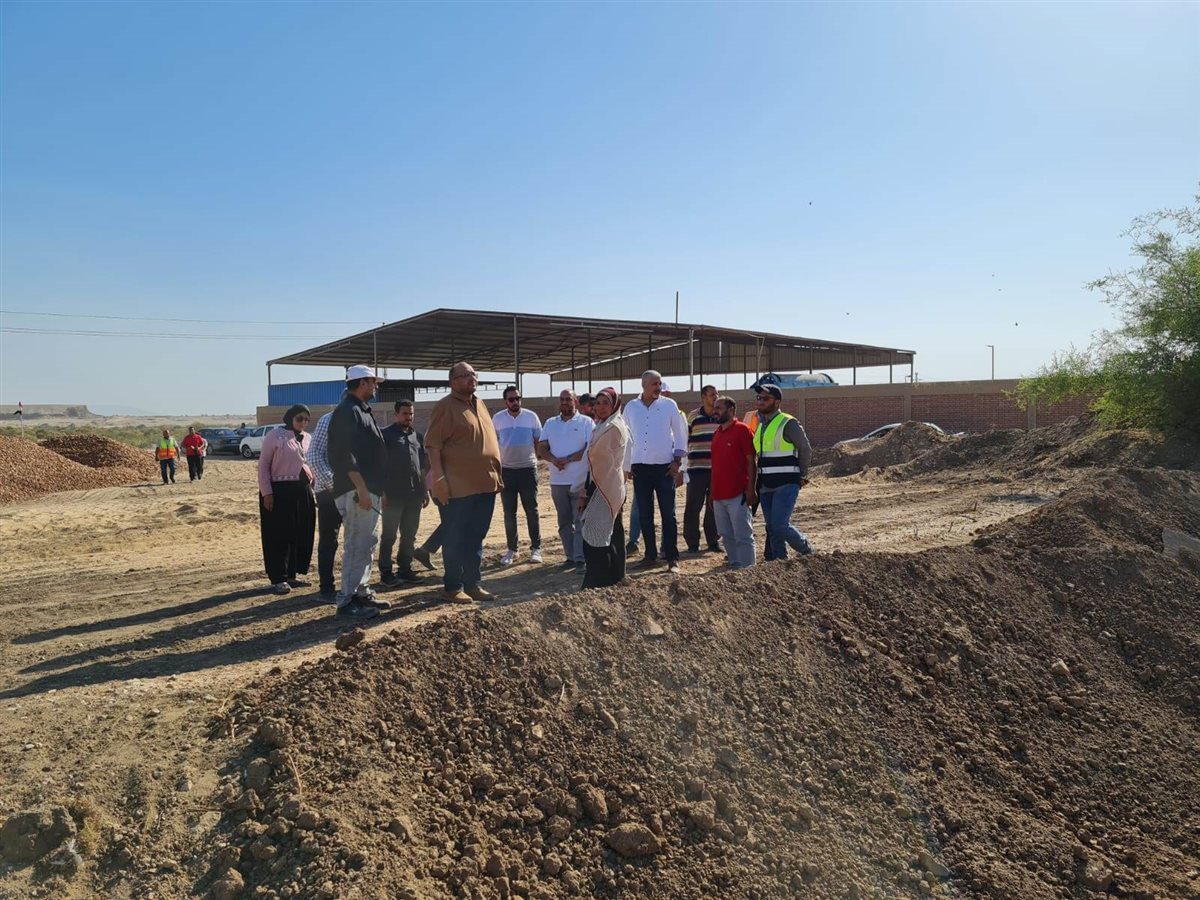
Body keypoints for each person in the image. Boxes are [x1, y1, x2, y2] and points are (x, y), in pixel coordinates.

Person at [426, 361, 503, 603]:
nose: (472, 378)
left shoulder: (480, 404)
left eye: (473, 374)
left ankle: (472, 584)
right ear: (453, 382)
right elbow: (433, 445)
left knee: (476, 536)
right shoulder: (445, 407)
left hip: (485, 484)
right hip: (458, 487)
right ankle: (453, 586)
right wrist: (439, 479)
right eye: (465, 375)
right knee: (455, 537)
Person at [327, 365, 392, 619]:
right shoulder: (347, 411)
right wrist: (362, 488)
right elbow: (342, 455)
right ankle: (347, 601)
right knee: (356, 544)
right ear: (363, 382)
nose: (376, 386)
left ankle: (361, 592)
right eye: (373, 382)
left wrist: (378, 489)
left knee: (367, 543)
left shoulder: (361, 410)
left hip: (368, 489)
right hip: (355, 490)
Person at [623, 369, 688, 573]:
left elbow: (680, 434)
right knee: (645, 515)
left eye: (660, 384)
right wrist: (627, 465)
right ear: (643, 385)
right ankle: (650, 555)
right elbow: (625, 437)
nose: (658, 388)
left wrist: (677, 461)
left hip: (664, 468)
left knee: (668, 515)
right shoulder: (631, 407)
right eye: (654, 384)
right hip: (640, 469)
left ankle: (672, 558)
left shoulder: (669, 405)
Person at [257, 405, 317, 594]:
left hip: (303, 491)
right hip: (279, 492)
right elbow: (263, 465)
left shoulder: (308, 438)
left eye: (306, 419)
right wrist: (267, 492)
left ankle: (292, 575)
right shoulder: (275, 436)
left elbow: (309, 462)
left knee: (300, 533)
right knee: (279, 535)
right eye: (299, 418)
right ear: (290, 417)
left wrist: (314, 486)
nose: (303, 423)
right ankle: (278, 577)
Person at [753, 384, 814, 559]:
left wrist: (802, 475)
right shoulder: (761, 425)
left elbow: (805, 449)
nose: (761, 401)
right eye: (759, 398)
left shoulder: (788, 422)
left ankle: (807, 550)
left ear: (777, 402)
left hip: (786, 484)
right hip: (765, 484)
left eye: (765, 398)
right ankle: (779, 561)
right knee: (772, 527)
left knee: (780, 525)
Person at [538, 389, 594, 571]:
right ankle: (569, 556)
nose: (564, 402)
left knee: (580, 521)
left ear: (575, 401)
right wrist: (553, 460)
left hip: (579, 481)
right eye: (562, 399)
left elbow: (589, 448)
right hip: (557, 481)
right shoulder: (550, 423)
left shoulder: (586, 422)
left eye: (568, 399)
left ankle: (580, 559)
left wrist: (568, 459)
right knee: (564, 522)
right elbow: (542, 447)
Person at [579, 387, 627, 588]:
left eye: (606, 403)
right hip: (602, 484)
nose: (600, 407)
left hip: (606, 486)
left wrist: (588, 489)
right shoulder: (602, 426)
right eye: (597, 403)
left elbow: (597, 459)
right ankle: (612, 577)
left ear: (614, 405)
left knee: (595, 534)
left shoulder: (613, 427)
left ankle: (599, 580)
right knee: (608, 534)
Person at [379, 400, 429, 585]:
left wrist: (424, 490)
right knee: (389, 535)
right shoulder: (385, 435)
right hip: (393, 495)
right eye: (405, 414)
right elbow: (379, 465)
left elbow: (421, 466)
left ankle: (405, 569)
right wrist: (382, 492)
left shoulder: (417, 436)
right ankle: (386, 573)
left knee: (409, 534)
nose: (409, 417)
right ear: (396, 415)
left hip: (414, 494)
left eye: (411, 414)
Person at [493, 385, 543, 566]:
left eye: (518, 398)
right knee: (509, 513)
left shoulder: (531, 417)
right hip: (506, 471)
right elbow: (493, 444)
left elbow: (539, 441)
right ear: (505, 401)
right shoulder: (497, 419)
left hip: (528, 470)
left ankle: (536, 548)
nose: (515, 402)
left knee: (532, 510)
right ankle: (512, 549)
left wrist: (538, 459)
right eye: (511, 399)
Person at [709, 396, 757, 569]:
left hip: (738, 494)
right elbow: (715, 465)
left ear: (731, 411)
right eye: (715, 408)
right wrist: (712, 492)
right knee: (726, 534)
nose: (715, 411)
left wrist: (751, 489)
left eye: (719, 408)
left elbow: (751, 461)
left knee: (743, 535)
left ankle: (748, 570)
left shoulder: (742, 430)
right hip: (719, 495)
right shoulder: (717, 434)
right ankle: (735, 567)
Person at [308, 409, 342, 603]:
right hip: (329, 493)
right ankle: (326, 588)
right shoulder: (328, 420)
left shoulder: (361, 419)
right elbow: (313, 455)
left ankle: (352, 587)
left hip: (355, 492)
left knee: (357, 542)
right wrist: (334, 485)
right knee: (329, 541)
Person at [683, 384, 722, 554]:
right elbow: (684, 440)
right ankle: (692, 543)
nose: (716, 397)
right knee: (693, 506)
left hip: (717, 470)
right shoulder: (693, 416)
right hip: (696, 469)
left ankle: (713, 541)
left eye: (717, 394)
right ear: (703, 397)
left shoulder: (721, 416)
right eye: (712, 394)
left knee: (714, 506)